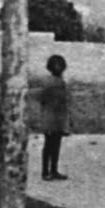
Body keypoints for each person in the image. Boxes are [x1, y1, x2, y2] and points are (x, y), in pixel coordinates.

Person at [37, 53, 70, 182]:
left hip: (57, 117)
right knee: (49, 145)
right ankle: (46, 171)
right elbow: (43, 98)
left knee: (55, 145)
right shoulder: (51, 83)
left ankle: (53, 170)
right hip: (51, 117)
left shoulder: (59, 82)